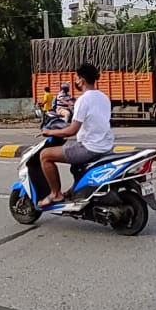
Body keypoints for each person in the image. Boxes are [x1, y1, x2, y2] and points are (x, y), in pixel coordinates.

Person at [37, 63, 114, 207]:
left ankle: (55, 194)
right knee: (73, 159)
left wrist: (50, 132)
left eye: (77, 78)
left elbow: (72, 130)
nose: (76, 81)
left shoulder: (83, 100)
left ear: (82, 80)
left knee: (45, 155)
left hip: (90, 148)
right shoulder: (104, 97)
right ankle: (74, 190)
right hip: (106, 146)